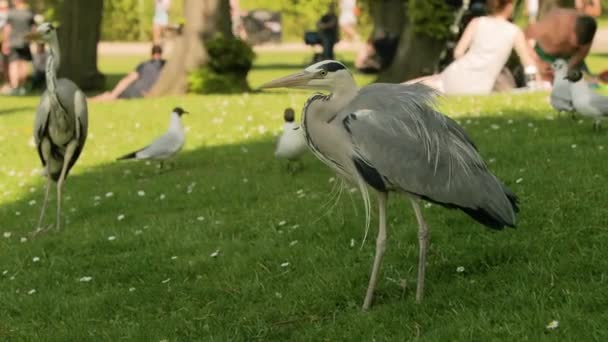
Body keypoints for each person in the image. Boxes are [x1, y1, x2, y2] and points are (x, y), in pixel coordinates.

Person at [405, 0, 536, 95]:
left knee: (414, 85)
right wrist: (534, 85)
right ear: (508, 6)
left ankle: (388, 93)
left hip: (455, 76)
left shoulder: (477, 22)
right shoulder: (514, 31)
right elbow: (528, 64)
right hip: (479, 87)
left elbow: (458, 53)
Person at [525, 8, 597, 81]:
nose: (575, 46)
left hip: (569, 59)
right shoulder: (553, 22)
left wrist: (569, 66)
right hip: (543, 55)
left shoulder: (587, 26)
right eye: (574, 42)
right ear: (572, 29)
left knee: (589, 83)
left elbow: (584, 50)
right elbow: (525, 38)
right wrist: (538, 62)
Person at [91, 45, 166, 101]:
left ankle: (91, 100)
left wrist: (114, 93)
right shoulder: (165, 65)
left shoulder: (144, 64)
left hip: (137, 91)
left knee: (110, 96)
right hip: (147, 93)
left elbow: (129, 79)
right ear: (161, 53)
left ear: (151, 54)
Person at [2, 0, 34, 96]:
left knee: (14, 64)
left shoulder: (12, 13)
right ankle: (22, 87)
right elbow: (33, 28)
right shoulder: (29, 13)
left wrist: (5, 42)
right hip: (25, 41)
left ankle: (15, 87)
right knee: (24, 63)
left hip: (13, 41)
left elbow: (8, 28)